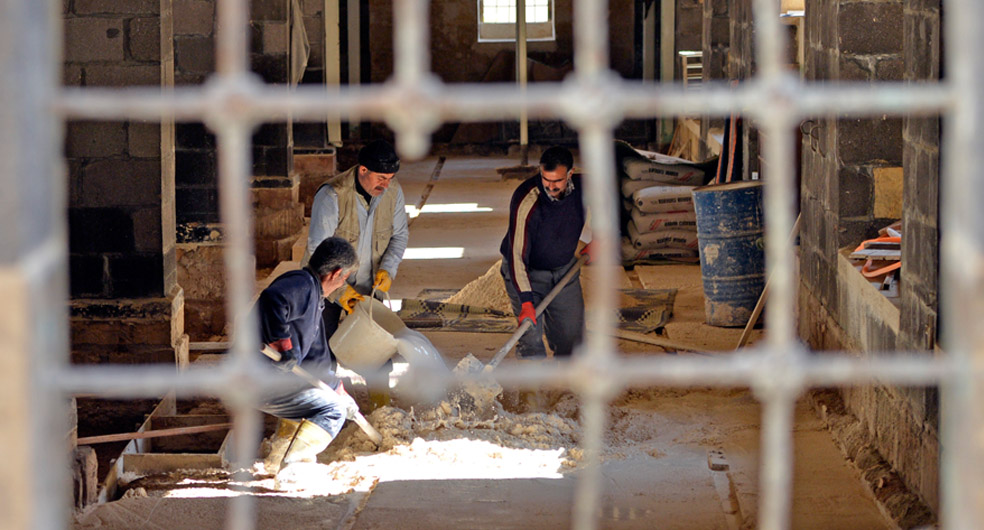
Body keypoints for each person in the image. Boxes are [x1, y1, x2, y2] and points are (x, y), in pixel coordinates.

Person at [304, 139, 409, 407]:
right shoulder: (332, 195)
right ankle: (321, 407)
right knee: (321, 350)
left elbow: (399, 236)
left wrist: (388, 268)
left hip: (368, 284)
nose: (386, 185)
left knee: (378, 348)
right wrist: (340, 290)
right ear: (362, 170)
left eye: (391, 178)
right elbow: (318, 250)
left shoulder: (392, 192)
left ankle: (380, 404)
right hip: (326, 286)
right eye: (381, 178)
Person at [255, 236, 360, 477]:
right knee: (332, 411)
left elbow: (317, 359)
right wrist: (283, 345)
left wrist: (338, 389)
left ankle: (277, 458)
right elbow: (273, 299)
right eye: (345, 279)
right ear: (336, 273)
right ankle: (295, 468)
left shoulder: (314, 300)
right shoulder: (301, 284)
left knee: (319, 402)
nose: (343, 284)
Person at [499, 146, 593, 360]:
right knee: (530, 340)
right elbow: (516, 256)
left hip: (564, 270)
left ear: (570, 174)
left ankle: (570, 390)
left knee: (572, 340)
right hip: (528, 273)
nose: (550, 187)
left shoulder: (584, 187)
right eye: (545, 179)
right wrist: (525, 301)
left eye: (557, 181)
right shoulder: (526, 200)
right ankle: (532, 392)